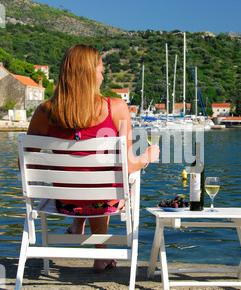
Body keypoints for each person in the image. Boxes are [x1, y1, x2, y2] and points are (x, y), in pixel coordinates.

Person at [27, 44, 160, 273]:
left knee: (92, 185)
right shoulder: (116, 108)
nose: (103, 75)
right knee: (105, 187)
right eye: (100, 70)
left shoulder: (44, 112)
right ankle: (101, 256)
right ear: (89, 74)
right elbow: (128, 165)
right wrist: (147, 157)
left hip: (65, 203)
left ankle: (80, 228)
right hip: (104, 201)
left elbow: (26, 165)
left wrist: (62, 167)